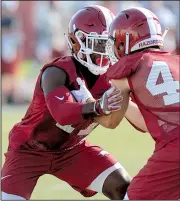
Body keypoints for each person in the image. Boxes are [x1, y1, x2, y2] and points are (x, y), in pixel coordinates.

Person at [2, 5, 132, 200]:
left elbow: (118, 118)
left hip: (71, 150)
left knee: (122, 185)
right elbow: (62, 113)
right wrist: (97, 106)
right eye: (97, 44)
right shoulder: (56, 72)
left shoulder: (112, 77)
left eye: (107, 45)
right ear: (76, 42)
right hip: (29, 150)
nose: (103, 52)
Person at [106, 7, 180, 200]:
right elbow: (146, 121)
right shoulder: (175, 61)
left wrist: (92, 105)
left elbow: (112, 121)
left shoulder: (127, 68)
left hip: (175, 149)